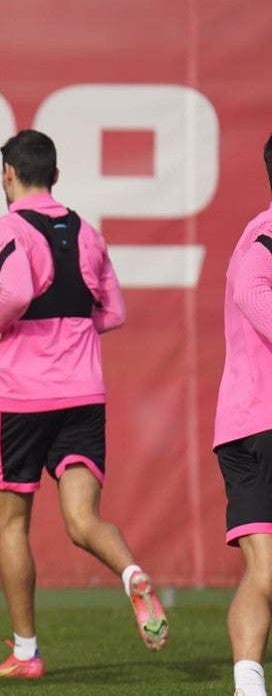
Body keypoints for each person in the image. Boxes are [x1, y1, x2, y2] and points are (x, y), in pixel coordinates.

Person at [0, 129, 168, 679]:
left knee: (12, 525)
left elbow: (16, 293)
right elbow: (115, 313)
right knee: (83, 520)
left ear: (8, 175)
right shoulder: (88, 234)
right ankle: (131, 575)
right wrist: (72, 328)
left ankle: (27, 654)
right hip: (83, 393)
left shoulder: (3, 227)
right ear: (54, 175)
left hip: (23, 397)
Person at [213, 132, 272, 696]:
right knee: (267, 569)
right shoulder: (265, 243)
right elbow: (256, 302)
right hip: (257, 427)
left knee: (266, 571)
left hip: (244, 423)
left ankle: (248, 685)